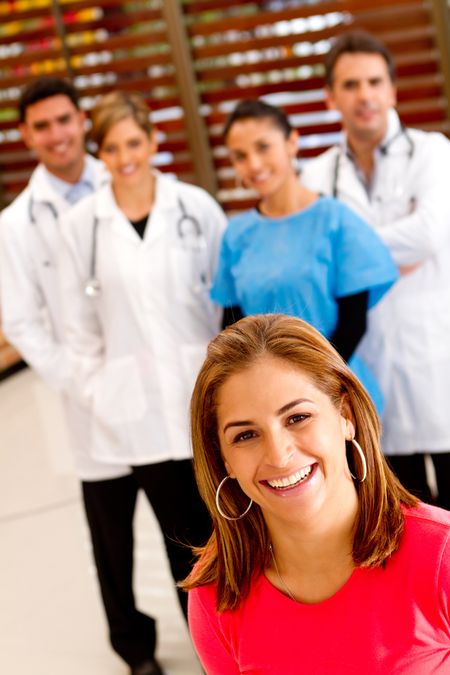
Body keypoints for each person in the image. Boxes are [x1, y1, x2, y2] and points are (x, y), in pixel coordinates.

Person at [0, 78, 167, 675]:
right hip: (88, 405)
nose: (57, 134)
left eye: (65, 120)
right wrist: (84, 384)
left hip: (158, 396)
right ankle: (135, 651)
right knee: (112, 542)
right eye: (41, 126)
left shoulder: (130, 177)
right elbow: (22, 319)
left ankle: (209, 633)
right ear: (25, 135)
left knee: (183, 531)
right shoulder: (17, 225)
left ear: (82, 122)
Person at [59, 91, 227, 674]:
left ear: (154, 142)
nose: (125, 156)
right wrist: (99, 390)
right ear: (98, 153)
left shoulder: (195, 206)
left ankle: (239, 637)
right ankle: (210, 650)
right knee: (179, 537)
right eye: (112, 147)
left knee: (222, 525)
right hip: (136, 412)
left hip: (201, 395)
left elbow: (222, 295)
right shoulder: (82, 224)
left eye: (135, 143)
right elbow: (75, 325)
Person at [184, 313, 450, 674]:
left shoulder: (440, 556)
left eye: (297, 418)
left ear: (345, 415)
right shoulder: (215, 591)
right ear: (223, 459)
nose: (279, 455)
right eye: (245, 435)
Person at [301, 31, 450, 509]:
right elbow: (318, 261)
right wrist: (388, 253)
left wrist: (356, 256)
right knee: (406, 520)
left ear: (392, 90)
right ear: (331, 96)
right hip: (371, 371)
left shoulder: (434, 153)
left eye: (374, 82)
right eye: (350, 85)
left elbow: (430, 233)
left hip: (438, 358)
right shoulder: (317, 176)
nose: (364, 95)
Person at [212, 98, 398, 413]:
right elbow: (233, 328)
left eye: (263, 147)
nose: (253, 165)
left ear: (292, 143)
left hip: (336, 391)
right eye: (240, 156)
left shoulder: (336, 220)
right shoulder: (237, 235)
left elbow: (354, 324)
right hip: (266, 399)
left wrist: (310, 383)